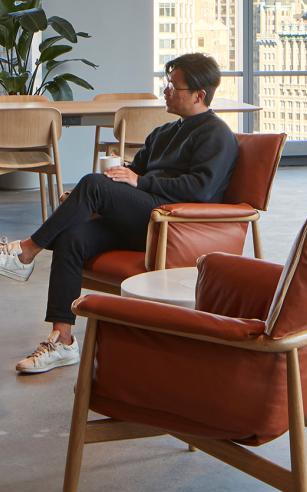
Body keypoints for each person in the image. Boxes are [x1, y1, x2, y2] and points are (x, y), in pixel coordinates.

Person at [0, 53, 239, 374]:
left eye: (174, 86)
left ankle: (26, 251)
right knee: (74, 234)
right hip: (140, 217)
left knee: (93, 185)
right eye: (167, 84)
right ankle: (62, 339)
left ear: (199, 95)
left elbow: (200, 189)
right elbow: (132, 172)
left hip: (172, 226)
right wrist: (87, 198)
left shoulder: (217, 135)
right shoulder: (164, 132)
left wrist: (137, 181)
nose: (166, 90)